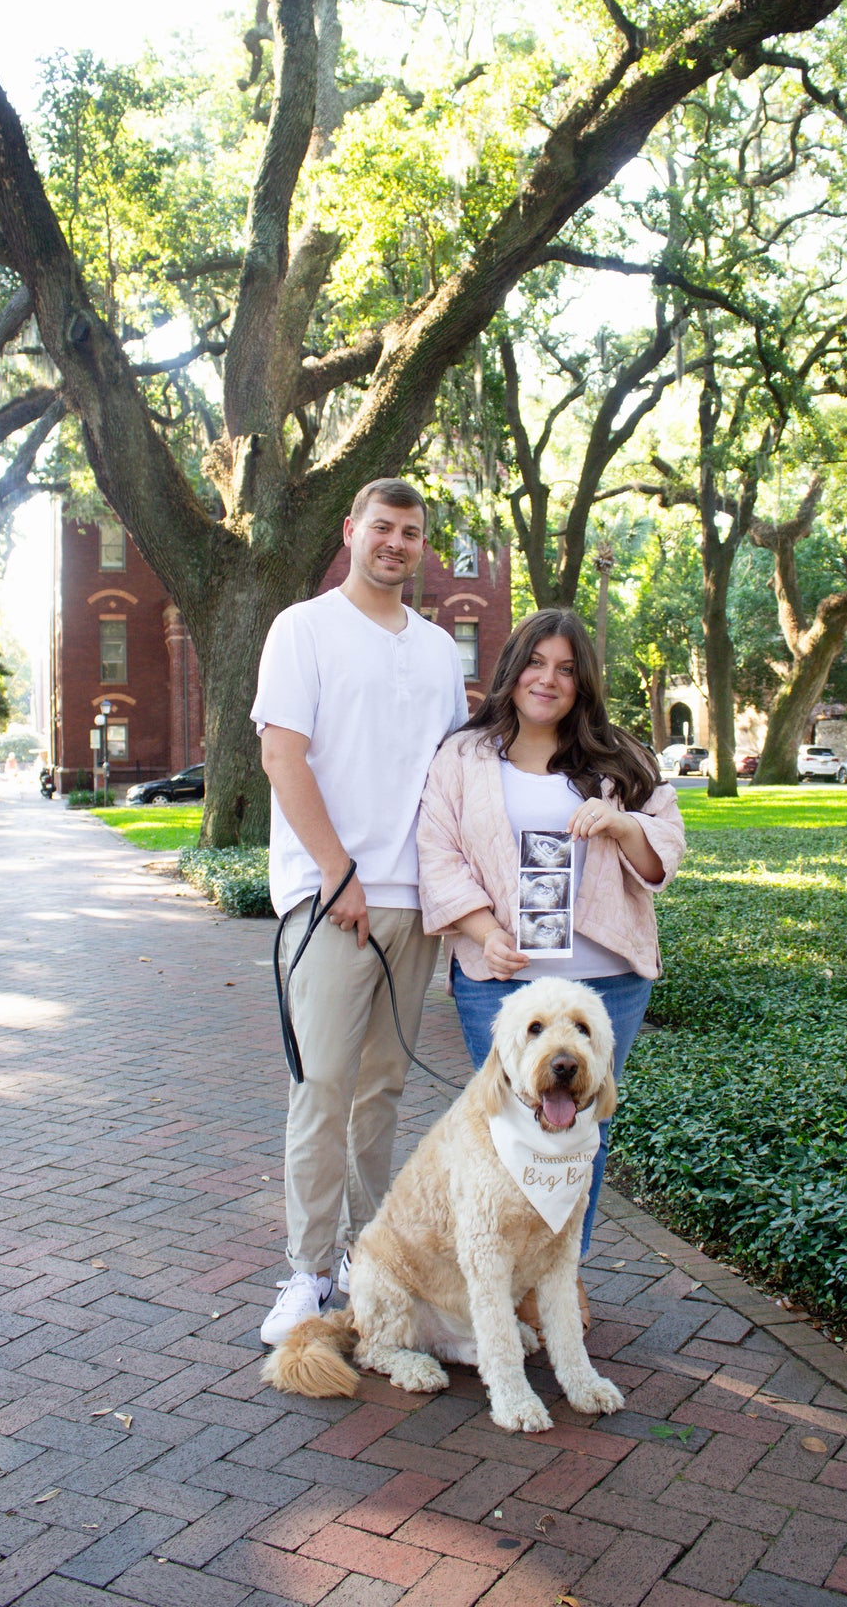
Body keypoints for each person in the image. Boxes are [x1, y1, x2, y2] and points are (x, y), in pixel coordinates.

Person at [251, 479, 467, 1344]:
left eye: (412, 533)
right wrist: (339, 874)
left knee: (382, 1092)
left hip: (414, 905)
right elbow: (281, 755)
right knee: (322, 1088)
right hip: (331, 899)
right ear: (351, 532)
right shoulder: (302, 629)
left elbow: (452, 771)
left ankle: (372, 1262)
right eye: (383, 528)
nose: (396, 544)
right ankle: (305, 1271)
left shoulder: (440, 648)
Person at [417, 607, 686, 1288]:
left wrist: (622, 826)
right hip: (501, 981)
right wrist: (484, 933)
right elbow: (438, 852)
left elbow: (664, 851)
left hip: (607, 983)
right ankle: (502, 1282)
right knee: (510, 1135)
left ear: (583, 683)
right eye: (537, 663)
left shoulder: (620, 759)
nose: (549, 679)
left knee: (580, 1136)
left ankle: (562, 1285)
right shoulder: (464, 756)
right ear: (512, 670)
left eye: (567, 669)